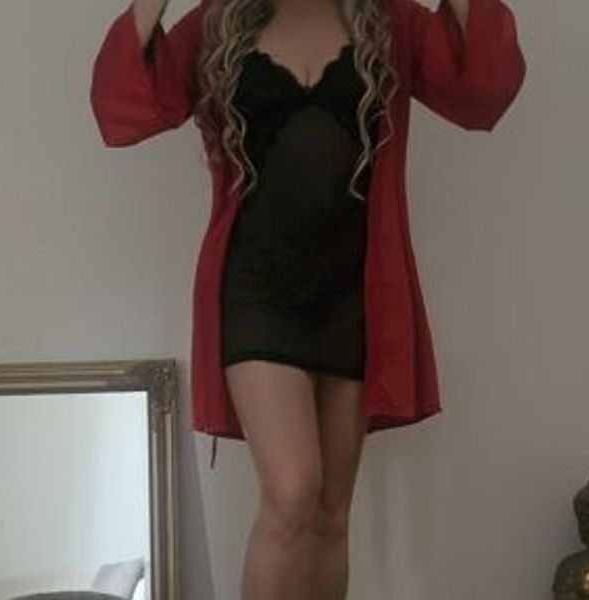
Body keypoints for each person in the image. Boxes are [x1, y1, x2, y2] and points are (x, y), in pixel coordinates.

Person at [90, 0, 525, 596]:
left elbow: (483, 93)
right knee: (293, 492)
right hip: (256, 289)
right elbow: (122, 109)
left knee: (330, 514)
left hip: (355, 292)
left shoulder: (389, 19)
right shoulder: (221, 19)